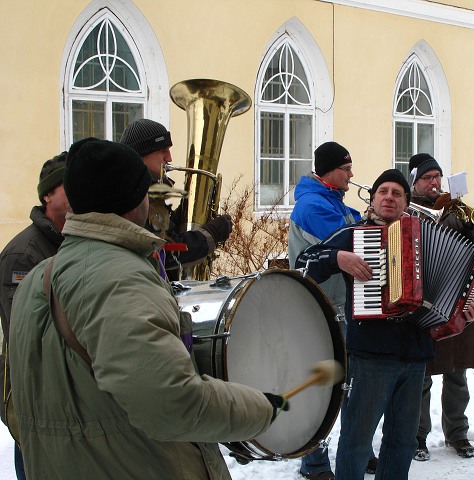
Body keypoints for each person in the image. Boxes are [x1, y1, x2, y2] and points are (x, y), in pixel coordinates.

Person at [8, 138, 288, 479]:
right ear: (134, 199)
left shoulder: (41, 275)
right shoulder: (119, 279)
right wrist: (261, 408)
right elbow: (172, 405)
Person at [296, 169, 474, 480]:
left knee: (403, 442)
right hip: (370, 355)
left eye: (397, 193)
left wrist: (467, 310)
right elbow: (303, 263)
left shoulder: (426, 237)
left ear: (406, 203)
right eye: (383, 191)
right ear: (372, 199)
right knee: (357, 441)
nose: (389, 197)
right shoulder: (356, 236)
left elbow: (452, 296)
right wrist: (337, 258)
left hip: (415, 357)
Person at [288, 141, 376, 479]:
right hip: (319, 310)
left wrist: (368, 216)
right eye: (346, 168)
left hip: (340, 306)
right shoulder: (312, 205)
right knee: (323, 388)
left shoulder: (331, 201)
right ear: (328, 172)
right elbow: (346, 238)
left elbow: (351, 222)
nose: (352, 175)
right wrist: (372, 222)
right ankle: (314, 461)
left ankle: (358, 449)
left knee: (353, 383)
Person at [407, 153, 474, 461]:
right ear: (415, 182)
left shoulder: (454, 212)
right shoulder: (407, 212)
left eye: (438, 177)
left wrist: (467, 217)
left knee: (457, 373)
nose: (434, 182)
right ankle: (417, 435)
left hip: (457, 301)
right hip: (421, 304)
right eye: (428, 178)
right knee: (421, 375)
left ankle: (457, 432)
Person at [0, 151, 69, 480]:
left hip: (66, 404)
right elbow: (28, 335)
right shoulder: (23, 254)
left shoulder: (71, 243)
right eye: (69, 187)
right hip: (36, 406)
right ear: (48, 195)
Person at [120, 118, 232, 279]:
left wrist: (183, 215)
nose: (169, 158)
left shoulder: (145, 189)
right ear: (143, 154)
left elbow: (163, 234)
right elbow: (164, 252)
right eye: (163, 150)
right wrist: (211, 234)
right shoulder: (139, 195)